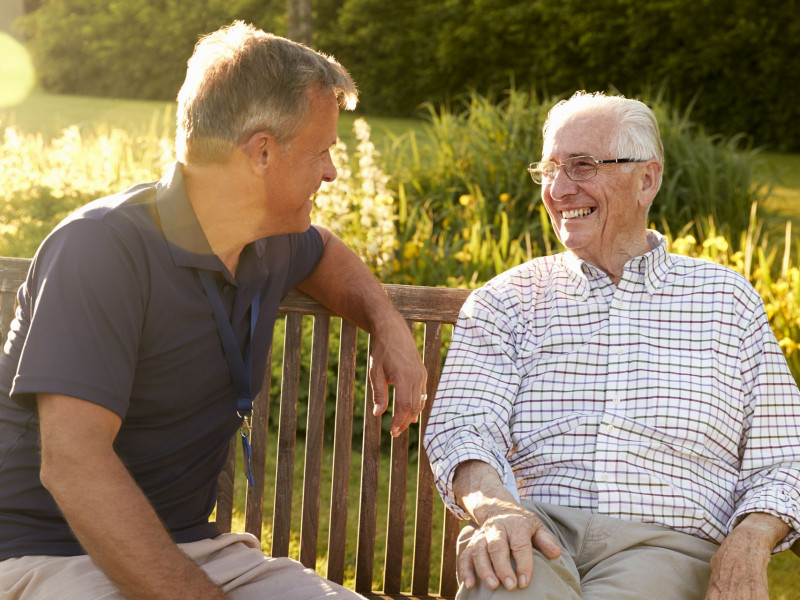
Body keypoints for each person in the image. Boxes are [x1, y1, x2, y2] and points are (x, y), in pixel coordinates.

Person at [0, 22, 427, 600]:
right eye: (322, 150)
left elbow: (325, 250)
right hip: (46, 554)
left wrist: (388, 324)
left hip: (197, 551)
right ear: (263, 151)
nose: (331, 171)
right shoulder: (101, 249)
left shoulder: (267, 237)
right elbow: (73, 464)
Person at [424, 91, 800, 600]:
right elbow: (462, 428)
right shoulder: (506, 300)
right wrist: (496, 508)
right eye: (550, 168)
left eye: (581, 167)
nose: (558, 189)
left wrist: (754, 536)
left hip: (666, 545)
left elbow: (785, 454)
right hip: (532, 531)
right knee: (508, 588)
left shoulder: (725, 301)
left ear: (647, 179)